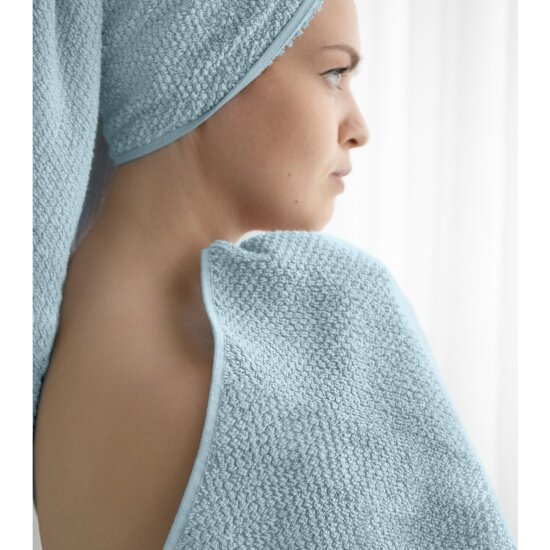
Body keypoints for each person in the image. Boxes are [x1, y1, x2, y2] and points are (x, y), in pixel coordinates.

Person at [34, 0, 368, 547]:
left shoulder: (72, 355)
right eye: (334, 72)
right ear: (215, 68)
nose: (359, 129)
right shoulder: (334, 325)